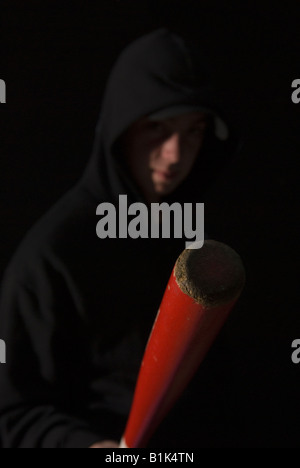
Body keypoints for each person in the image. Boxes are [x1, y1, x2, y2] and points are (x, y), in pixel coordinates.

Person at [0, 29, 237, 448]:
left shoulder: (198, 237)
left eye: (194, 131)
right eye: (157, 128)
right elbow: (14, 413)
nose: (175, 155)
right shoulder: (52, 256)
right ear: (121, 127)